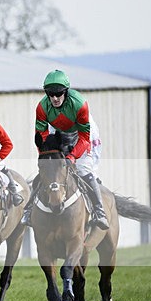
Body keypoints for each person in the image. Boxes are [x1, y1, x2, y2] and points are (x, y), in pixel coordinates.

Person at [21, 70, 109, 230]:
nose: (54, 98)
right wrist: (45, 158)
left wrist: (72, 157)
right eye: (50, 94)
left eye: (59, 94)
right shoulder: (41, 107)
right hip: (58, 131)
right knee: (47, 171)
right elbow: (41, 136)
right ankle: (28, 210)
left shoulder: (79, 104)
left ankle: (99, 211)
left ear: (66, 92)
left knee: (83, 170)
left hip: (83, 135)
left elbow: (83, 138)